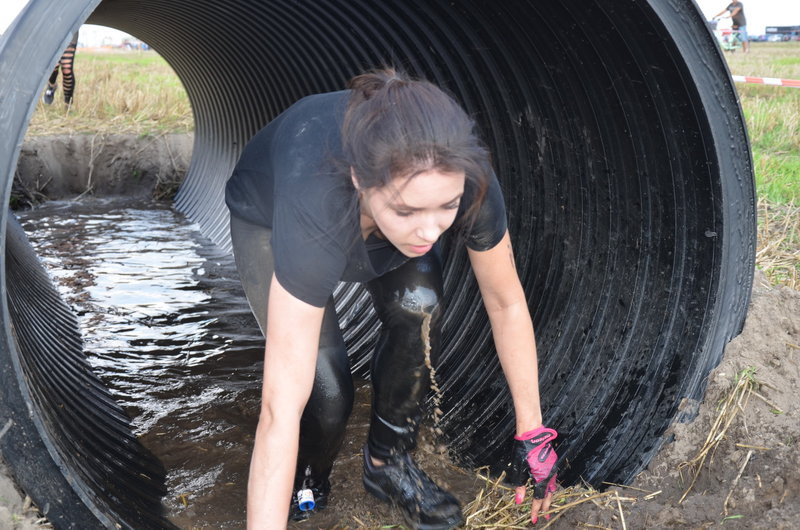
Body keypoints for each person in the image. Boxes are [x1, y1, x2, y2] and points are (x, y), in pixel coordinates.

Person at [225, 67, 559, 529]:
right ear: (361, 181)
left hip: (375, 219)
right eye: (409, 210)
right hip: (269, 216)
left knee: (419, 304)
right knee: (327, 395)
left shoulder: (466, 181)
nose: (429, 231)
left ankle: (387, 463)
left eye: (446, 207)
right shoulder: (316, 203)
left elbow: (505, 303)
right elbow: (278, 410)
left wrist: (533, 434)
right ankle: (310, 477)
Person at [43, 31, 79, 105]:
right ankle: (51, 85)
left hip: (70, 26)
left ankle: (68, 103)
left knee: (67, 67)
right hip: (52, 27)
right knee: (54, 65)